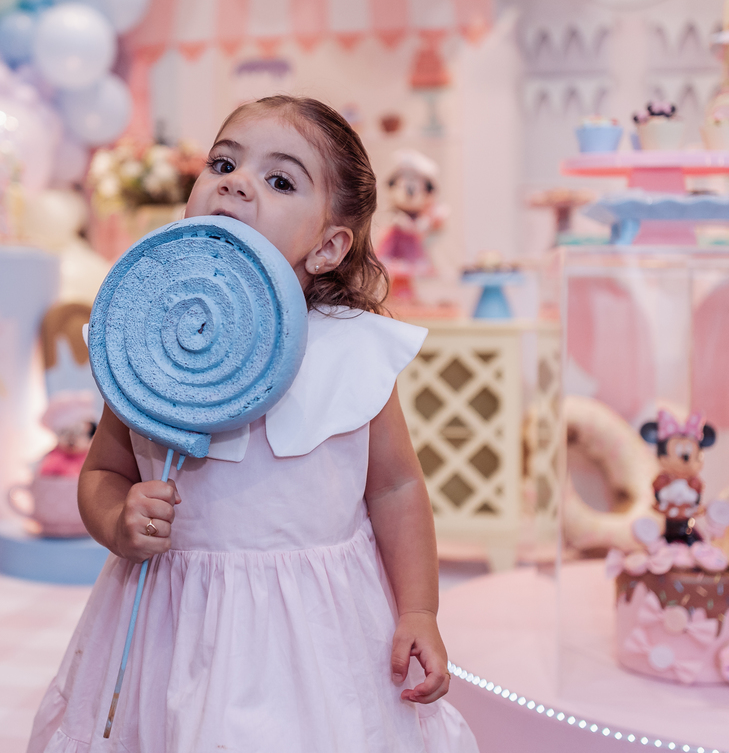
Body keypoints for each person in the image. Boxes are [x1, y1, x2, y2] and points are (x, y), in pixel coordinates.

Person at [28, 95, 477, 752]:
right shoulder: (146, 342)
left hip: (316, 640)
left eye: (280, 180)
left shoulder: (349, 351)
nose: (236, 183)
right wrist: (118, 519)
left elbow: (396, 488)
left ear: (328, 246)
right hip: (173, 629)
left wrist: (418, 609)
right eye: (223, 163)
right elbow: (103, 470)